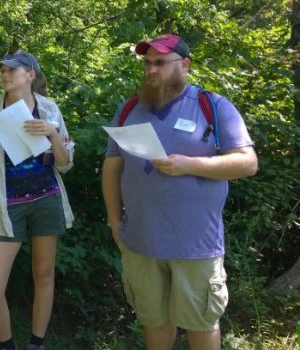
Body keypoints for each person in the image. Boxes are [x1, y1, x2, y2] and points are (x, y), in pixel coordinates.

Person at [102, 33, 258, 350]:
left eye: (160, 62)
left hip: (196, 245)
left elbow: (247, 163)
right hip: (141, 241)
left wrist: (190, 165)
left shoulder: (212, 106)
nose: (151, 70)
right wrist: (114, 223)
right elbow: (112, 168)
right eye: (147, 63)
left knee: (201, 324)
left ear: (184, 64)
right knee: (154, 324)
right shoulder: (130, 107)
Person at [0, 49, 74, 350]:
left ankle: (36, 343)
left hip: (47, 200)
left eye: (11, 70)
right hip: (6, 206)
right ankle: (7, 346)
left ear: (30, 74)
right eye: (1, 70)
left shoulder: (50, 109)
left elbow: (65, 162)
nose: (4, 75)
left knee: (43, 275)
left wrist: (52, 134)